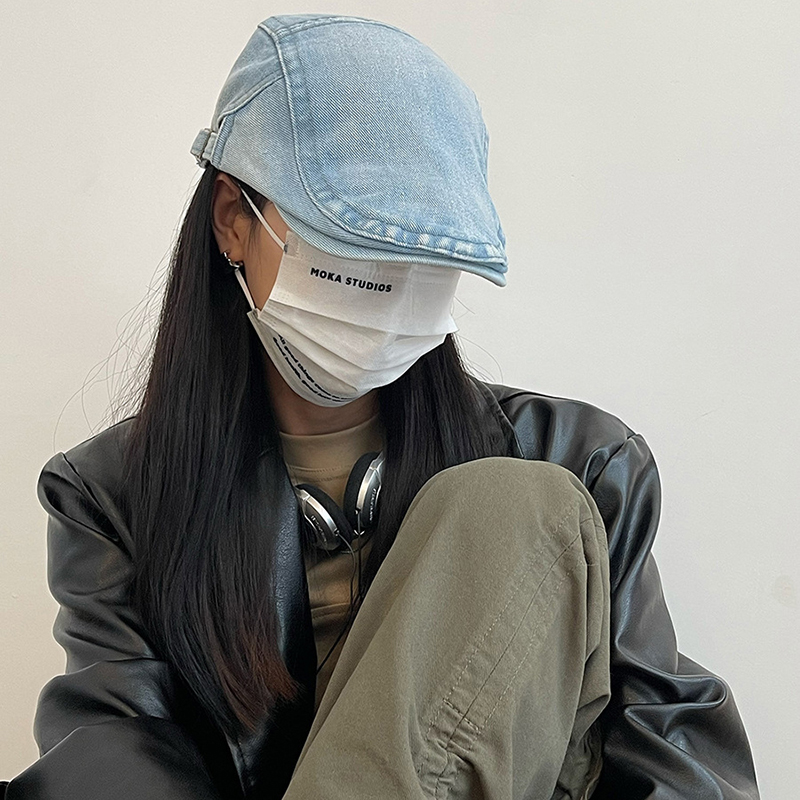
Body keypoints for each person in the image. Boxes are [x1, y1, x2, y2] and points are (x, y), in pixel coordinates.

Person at [1, 12, 759, 800]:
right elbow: (120, 742)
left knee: (515, 506)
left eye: (426, 264)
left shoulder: (580, 464)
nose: (392, 298)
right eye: (356, 253)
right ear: (233, 220)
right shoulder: (113, 497)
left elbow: (675, 755)